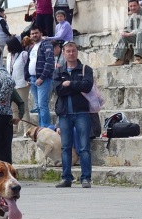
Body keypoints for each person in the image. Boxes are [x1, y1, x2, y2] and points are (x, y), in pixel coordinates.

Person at [53, 41, 93, 188]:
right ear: (63, 53)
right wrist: (76, 85)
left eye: (73, 51)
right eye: (68, 51)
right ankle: (66, 178)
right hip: (64, 113)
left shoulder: (85, 69)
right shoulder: (58, 71)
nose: (71, 53)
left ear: (77, 52)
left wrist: (69, 84)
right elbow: (58, 90)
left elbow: (87, 86)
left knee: (84, 147)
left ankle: (86, 178)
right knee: (65, 147)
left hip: (81, 112)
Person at [108, 0, 142, 66]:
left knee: (140, 34)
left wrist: (129, 34)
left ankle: (139, 59)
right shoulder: (132, 16)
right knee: (124, 37)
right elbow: (127, 28)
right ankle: (119, 59)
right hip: (141, 36)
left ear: (138, 5)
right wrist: (124, 32)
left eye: (134, 5)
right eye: (131, 6)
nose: (132, 8)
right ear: (128, 7)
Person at [24, 24, 54, 127]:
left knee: (42, 105)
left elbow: (49, 62)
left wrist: (42, 77)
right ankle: (42, 128)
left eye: (36, 33)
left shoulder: (47, 44)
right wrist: (27, 78)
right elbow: (28, 63)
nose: (34, 35)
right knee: (38, 106)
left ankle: (45, 127)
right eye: (32, 33)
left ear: (41, 33)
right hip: (32, 80)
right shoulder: (31, 47)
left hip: (43, 79)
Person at [6, 36, 31, 136]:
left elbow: (27, 68)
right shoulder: (8, 55)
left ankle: (27, 129)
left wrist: (28, 79)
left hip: (22, 83)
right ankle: (14, 130)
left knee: (23, 107)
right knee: (13, 108)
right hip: (11, 85)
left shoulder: (24, 54)